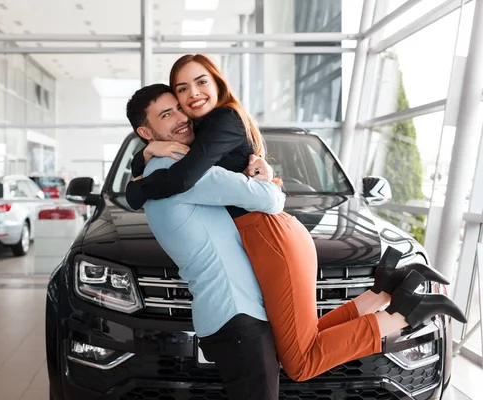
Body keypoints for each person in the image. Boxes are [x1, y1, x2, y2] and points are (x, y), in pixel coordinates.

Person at [126, 54, 467, 382]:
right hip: (270, 235)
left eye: (200, 82)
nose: (192, 94)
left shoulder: (221, 121)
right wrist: (147, 154)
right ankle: (383, 292)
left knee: (301, 363)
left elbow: (184, 178)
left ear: (218, 83)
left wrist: (137, 187)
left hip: (268, 235)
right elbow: (184, 161)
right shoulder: (201, 132)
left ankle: (405, 314)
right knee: (307, 337)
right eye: (182, 89)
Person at [125, 84, 284, 399]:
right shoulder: (179, 171)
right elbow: (270, 199)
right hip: (236, 315)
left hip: (229, 314)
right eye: (166, 114)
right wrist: (266, 175)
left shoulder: (155, 169)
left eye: (179, 108)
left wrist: (142, 156)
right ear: (146, 131)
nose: (181, 118)